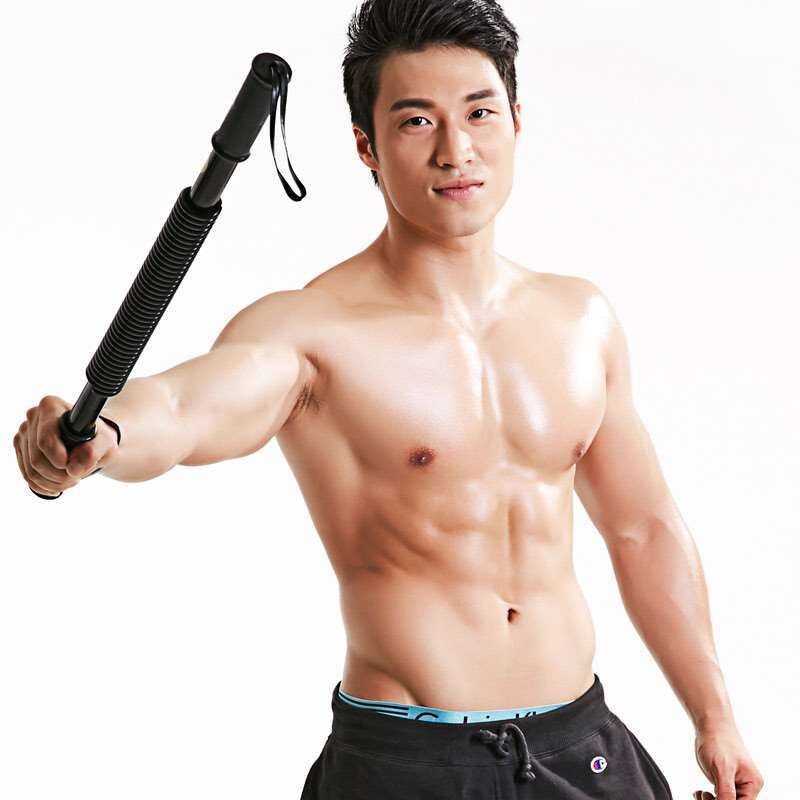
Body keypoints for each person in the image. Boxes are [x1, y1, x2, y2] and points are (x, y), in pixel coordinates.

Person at [13, 1, 763, 798]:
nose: (456, 150)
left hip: (582, 746)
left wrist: (714, 716)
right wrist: (104, 436)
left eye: (480, 112)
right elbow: (184, 408)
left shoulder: (581, 319)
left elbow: (643, 528)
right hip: (411, 764)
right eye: (416, 121)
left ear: (517, 120)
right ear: (365, 145)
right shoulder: (313, 332)